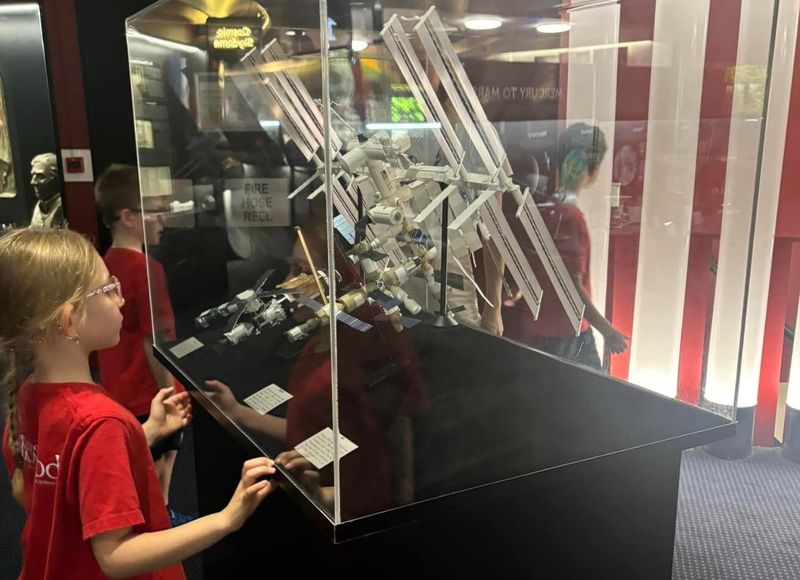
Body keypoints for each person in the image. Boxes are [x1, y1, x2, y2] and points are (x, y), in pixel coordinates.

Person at [0, 228, 276, 579]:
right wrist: (227, 518)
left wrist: (148, 432)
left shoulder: (29, 394)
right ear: (69, 321)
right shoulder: (100, 421)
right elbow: (116, 555)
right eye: (107, 289)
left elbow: (70, 472)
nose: (120, 299)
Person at [484, 123, 628, 368]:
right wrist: (608, 331)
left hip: (539, 329)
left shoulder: (549, 210)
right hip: (568, 334)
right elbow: (571, 287)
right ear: (592, 169)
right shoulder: (571, 218)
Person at [93, 163, 190, 521]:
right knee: (162, 464)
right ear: (129, 217)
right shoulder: (147, 269)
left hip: (118, 387)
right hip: (149, 391)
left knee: (141, 462)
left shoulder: (104, 265)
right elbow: (156, 342)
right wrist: (171, 394)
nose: (162, 221)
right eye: (155, 213)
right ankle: (160, 523)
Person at [29, 153, 66, 229]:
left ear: (56, 179)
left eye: (40, 176)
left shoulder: (64, 207)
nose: (33, 182)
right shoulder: (39, 206)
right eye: (33, 176)